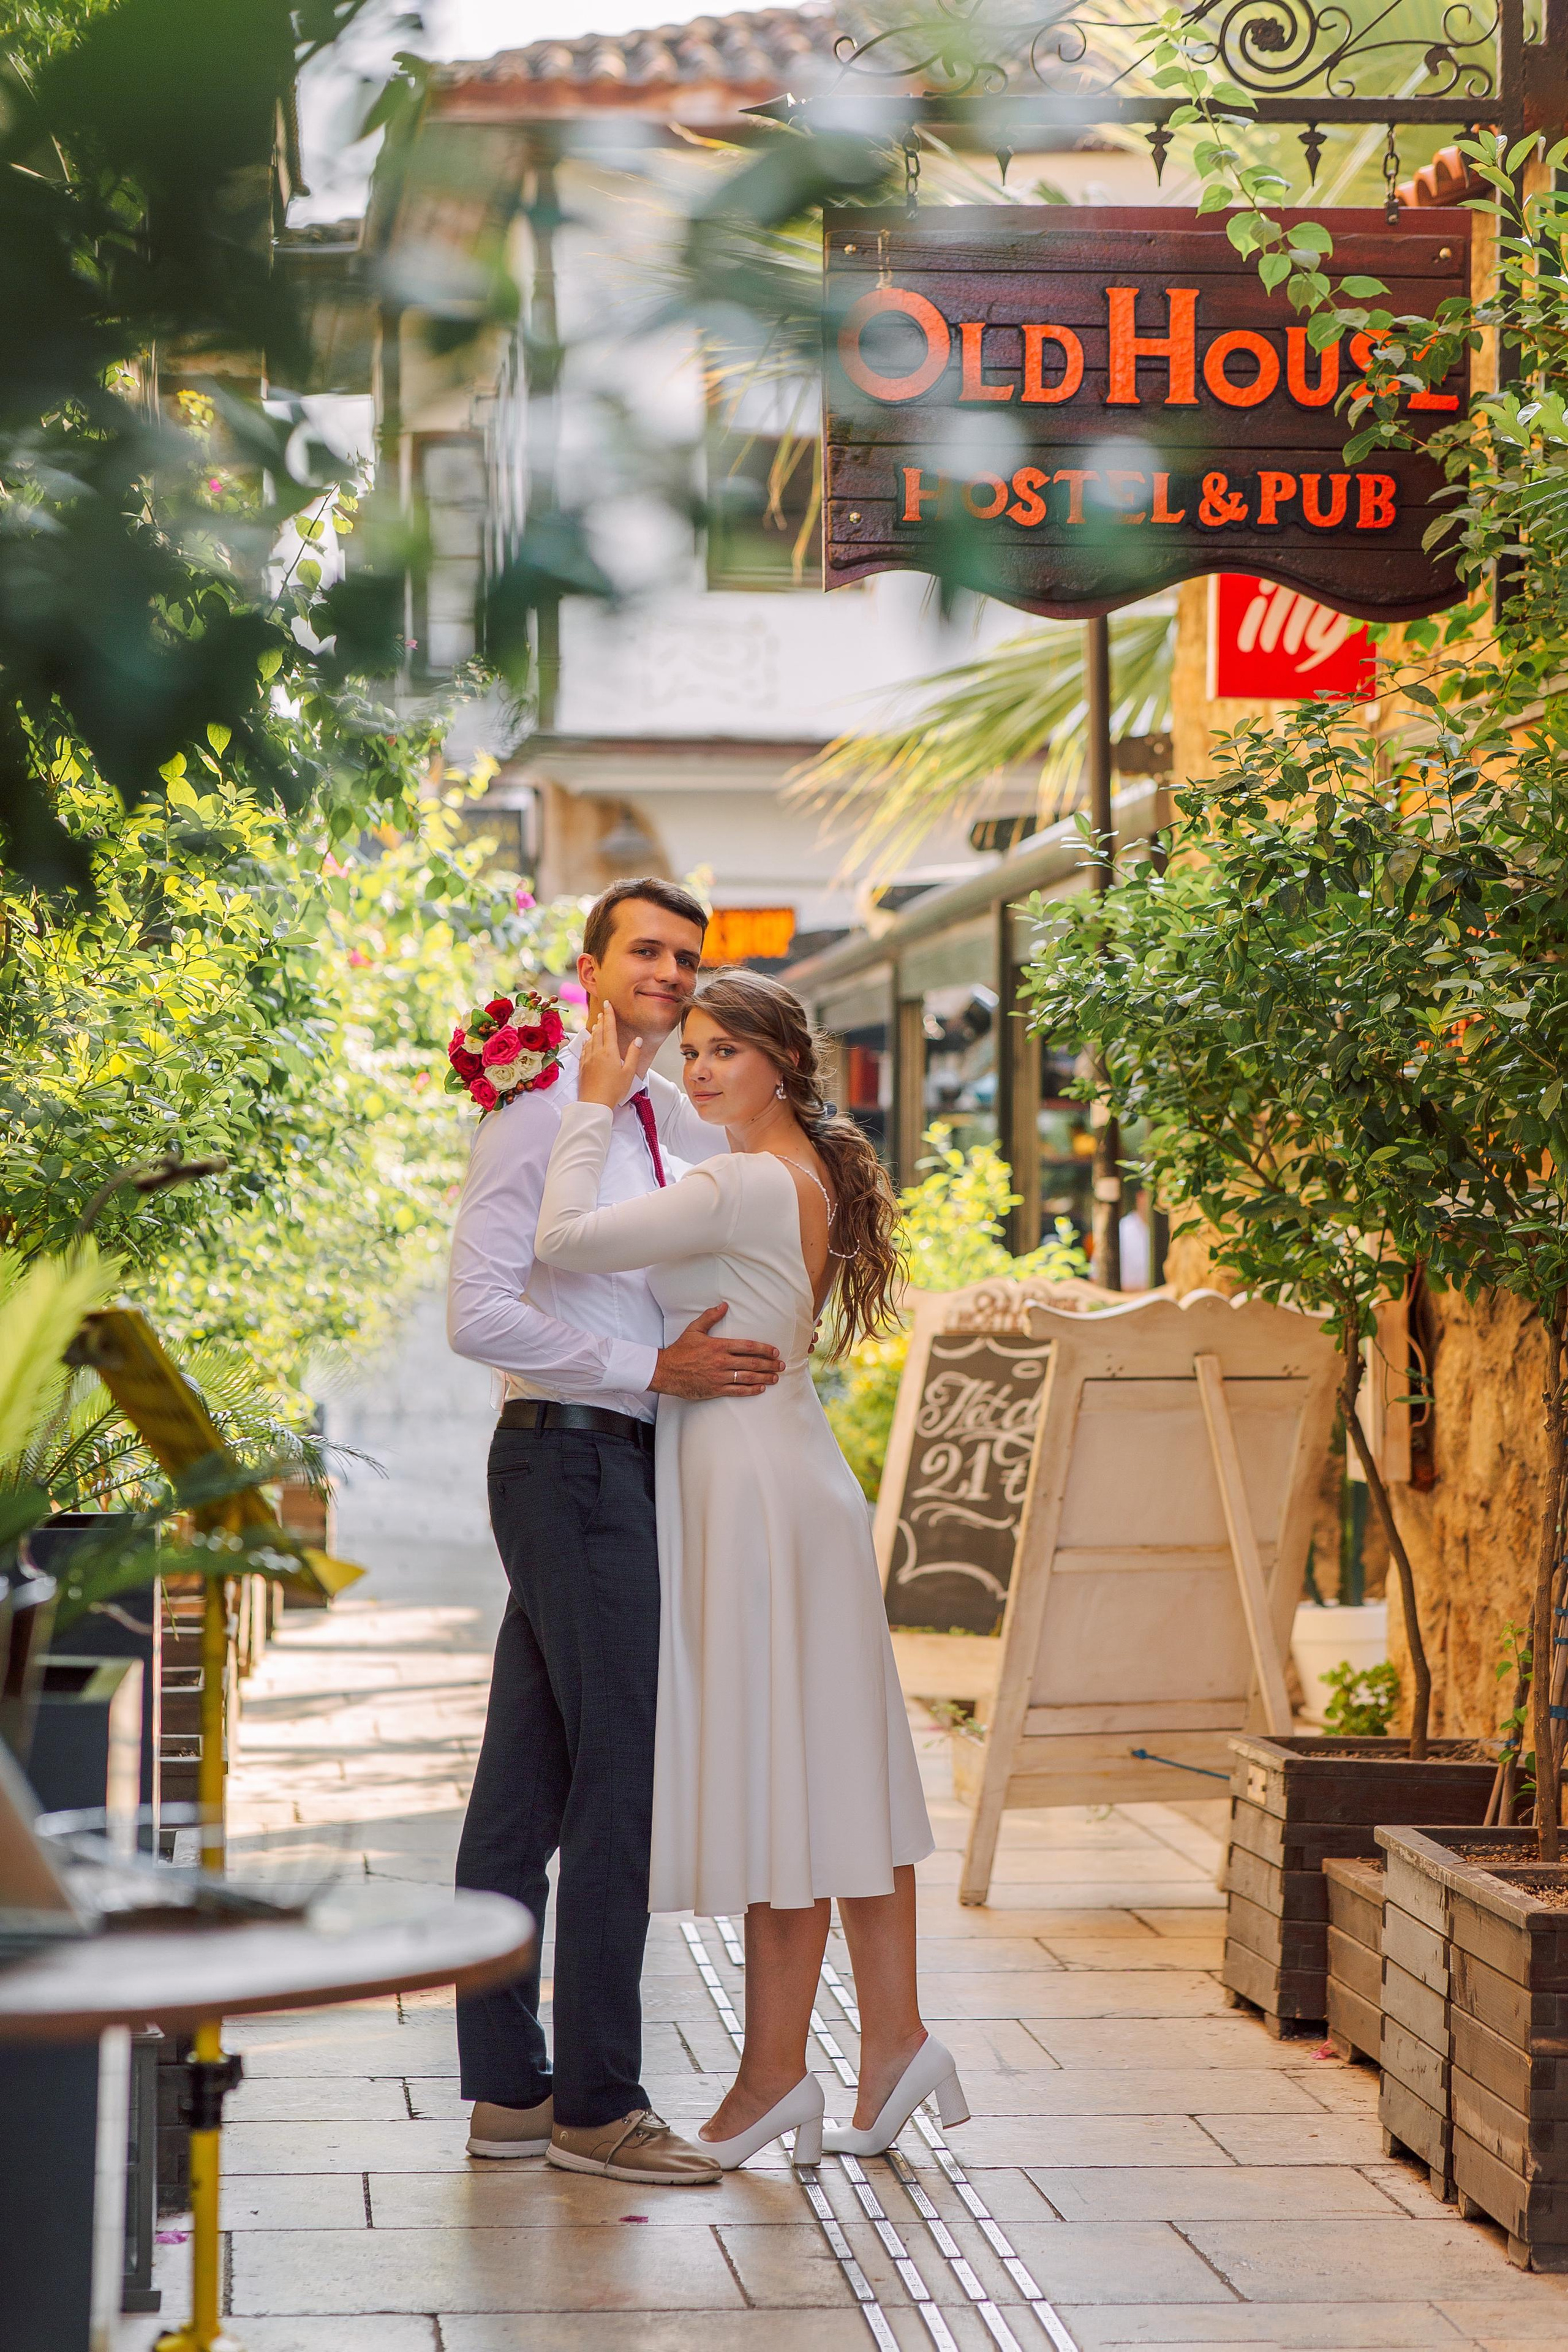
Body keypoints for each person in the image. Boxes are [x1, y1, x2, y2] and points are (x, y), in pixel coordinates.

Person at [533, 967, 967, 2169]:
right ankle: (894, 2046)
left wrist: (589, 1100)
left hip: (749, 1485)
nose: (699, 1069)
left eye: (724, 1050)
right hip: (790, 1474)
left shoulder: (732, 1185)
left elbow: (562, 1241)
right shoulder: (800, 1171)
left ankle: (774, 2077)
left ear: (781, 1059)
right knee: (838, 1774)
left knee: (790, 1781)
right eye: (691, 1052)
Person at [447, 878, 785, 2188]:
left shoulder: (656, 1118)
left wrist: (669, 1355)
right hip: (569, 1464)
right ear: (589, 965)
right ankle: (597, 2104)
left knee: (523, 1787)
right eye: (644, 949)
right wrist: (644, 1371)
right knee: (616, 1784)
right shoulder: (543, 1109)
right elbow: (480, 1313)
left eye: (685, 957)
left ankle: (508, 2093)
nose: (669, 971)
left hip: (608, 1469)